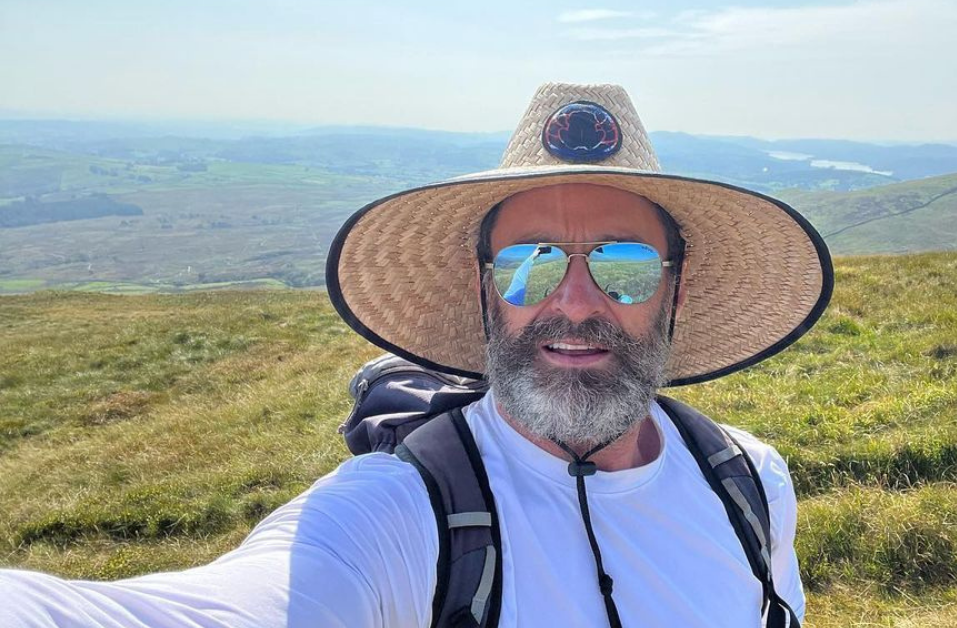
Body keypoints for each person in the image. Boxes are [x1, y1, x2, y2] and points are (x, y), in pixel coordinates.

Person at [1, 83, 833, 627]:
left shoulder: (750, 481)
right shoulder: (403, 513)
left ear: (675, 294)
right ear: (482, 294)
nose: (575, 302)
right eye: (529, 263)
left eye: (624, 265)